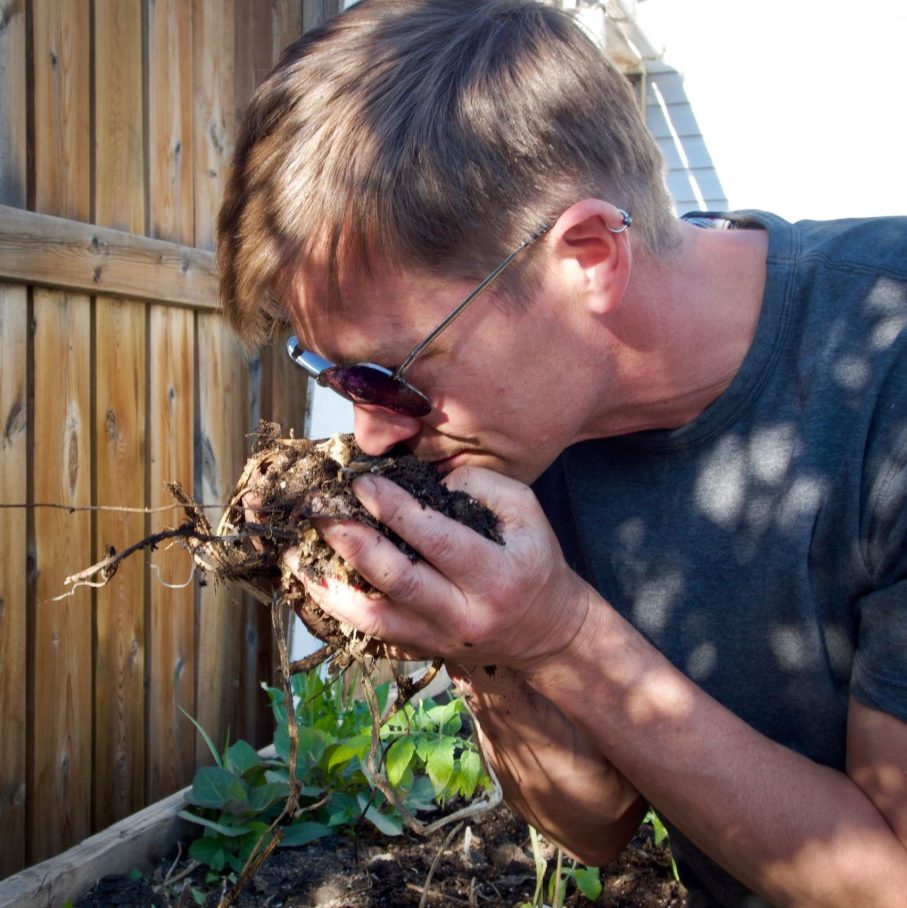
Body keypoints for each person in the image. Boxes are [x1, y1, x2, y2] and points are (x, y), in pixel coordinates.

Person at [217, 1, 907, 904]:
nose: (376, 433)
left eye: (393, 372)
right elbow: (590, 825)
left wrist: (566, 635)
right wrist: (489, 645)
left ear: (585, 257)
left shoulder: (881, 375)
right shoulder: (525, 424)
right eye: (338, 376)